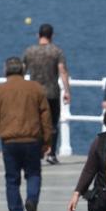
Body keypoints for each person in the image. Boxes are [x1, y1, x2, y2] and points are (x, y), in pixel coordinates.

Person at [0, 55, 52, 211]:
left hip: (10, 141)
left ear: (5, 70)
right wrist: (47, 141)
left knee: (12, 180)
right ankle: (31, 200)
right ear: (23, 70)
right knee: (33, 174)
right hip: (32, 140)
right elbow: (46, 117)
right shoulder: (36, 88)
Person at [22, 22, 70, 164]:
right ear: (52, 36)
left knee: (36, 123)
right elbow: (62, 71)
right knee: (53, 124)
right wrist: (67, 91)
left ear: (38, 35)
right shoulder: (56, 51)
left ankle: (36, 152)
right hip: (52, 93)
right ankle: (51, 153)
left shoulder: (30, 51)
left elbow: (22, 70)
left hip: (34, 93)